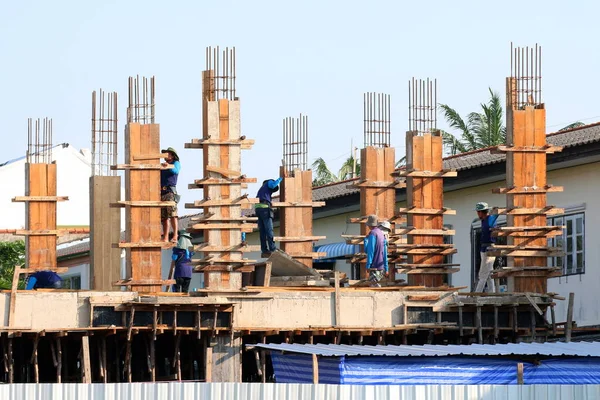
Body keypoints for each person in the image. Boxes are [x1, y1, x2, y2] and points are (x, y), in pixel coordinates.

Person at [255, 177, 282, 258]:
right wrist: (280, 179)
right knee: (269, 230)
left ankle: (264, 249)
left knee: (262, 231)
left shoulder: (262, 190)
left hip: (258, 208)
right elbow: (273, 185)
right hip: (264, 209)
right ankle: (273, 248)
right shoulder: (269, 182)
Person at [475, 202, 499, 292]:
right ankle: (492, 292)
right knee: (488, 273)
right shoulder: (483, 220)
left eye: (478, 212)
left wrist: (494, 210)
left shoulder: (490, 219)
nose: (477, 214)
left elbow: (496, 214)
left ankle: (477, 294)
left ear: (482, 212)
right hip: (483, 248)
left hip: (490, 248)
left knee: (483, 273)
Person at [161, 147, 181, 243]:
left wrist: (168, 166)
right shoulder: (163, 165)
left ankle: (175, 235)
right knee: (164, 217)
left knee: (173, 214)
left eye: (168, 154)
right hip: (162, 192)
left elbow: (175, 171)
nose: (166, 155)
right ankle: (165, 237)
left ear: (172, 155)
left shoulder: (175, 163)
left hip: (170, 191)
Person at [364, 215, 390, 287]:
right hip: (381, 268)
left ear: (369, 225)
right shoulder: (382, 234)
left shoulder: (372, 234)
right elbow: (384, 253)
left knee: (374, 289)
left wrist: (368, 265)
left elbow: (369, 251)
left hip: (374, 267)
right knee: (378, 288)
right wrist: (386, 268)